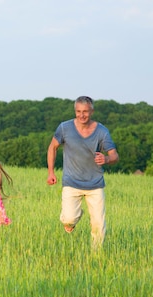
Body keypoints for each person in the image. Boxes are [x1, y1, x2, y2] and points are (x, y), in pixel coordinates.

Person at [46, 96, 119, 248]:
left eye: (85, 111)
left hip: (95, 184)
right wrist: (51, 172)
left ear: (92, 111)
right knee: (68, 219)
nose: (82, 115)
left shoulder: (102, 131)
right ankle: (74, 219)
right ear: (75, 111)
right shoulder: (64, 128)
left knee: (98, 224)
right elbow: (52, 147)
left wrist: (106, 159)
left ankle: (96, 256)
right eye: (78, 111)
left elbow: (114, 155)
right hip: (71, 182)